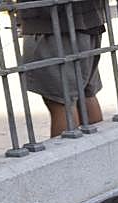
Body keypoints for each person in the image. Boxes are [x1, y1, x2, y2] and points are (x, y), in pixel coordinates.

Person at [16, 0, 105, 136]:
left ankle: (72, 155)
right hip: (88, 19)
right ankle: (100, 153)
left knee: (62, 102)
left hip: (53, 24)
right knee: (85, 95)